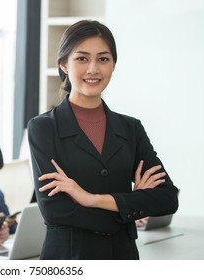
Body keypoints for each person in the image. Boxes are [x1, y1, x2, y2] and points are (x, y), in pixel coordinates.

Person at [27, 20, 179, 260]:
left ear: (113, 65)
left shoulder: (131, 128)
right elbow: (55, 210)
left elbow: (167, 198)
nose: (93, 69)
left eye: (103, 59)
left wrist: (91, 199)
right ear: (64, 64)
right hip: (69, 259)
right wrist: (129, 206)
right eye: (82, 59)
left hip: (122, 257)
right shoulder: (43, 128)